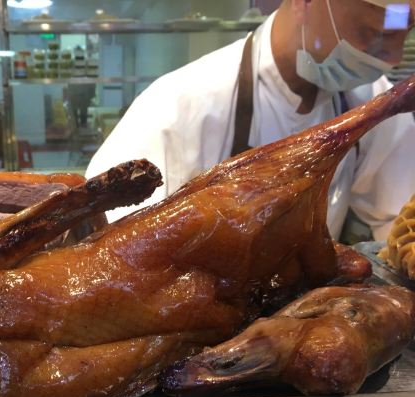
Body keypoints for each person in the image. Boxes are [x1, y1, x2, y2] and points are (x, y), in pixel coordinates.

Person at [86, 0, 415, 241]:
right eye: (375, 34)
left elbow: (402, 219)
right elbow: (112, 253)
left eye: (405, 34)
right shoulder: (181, 104)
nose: (394, 57)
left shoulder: (370, 99)